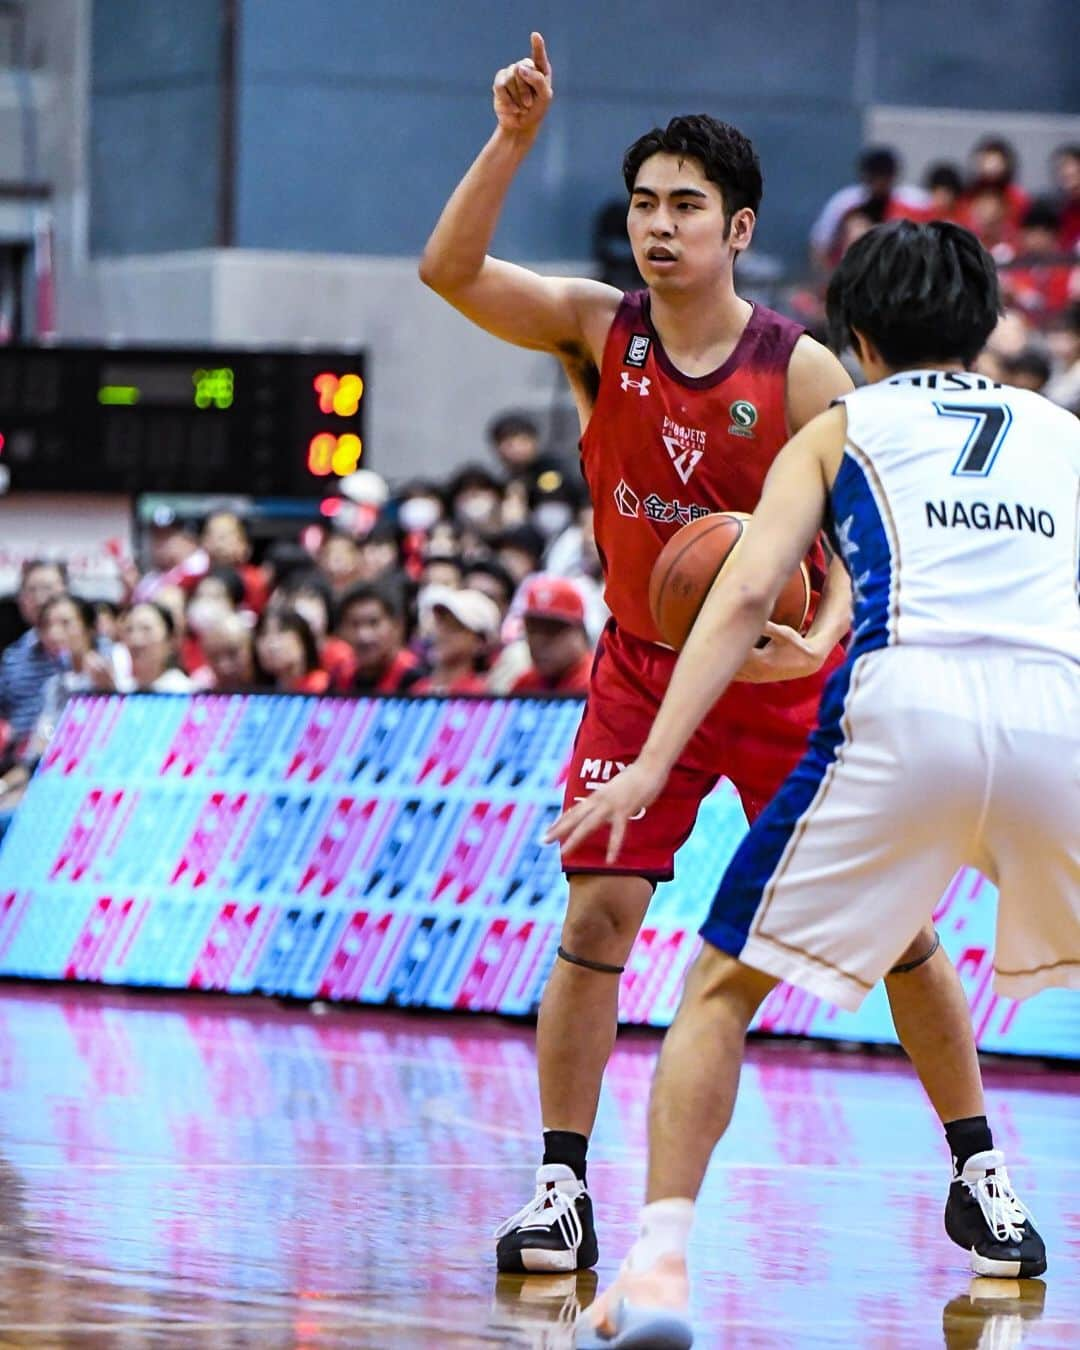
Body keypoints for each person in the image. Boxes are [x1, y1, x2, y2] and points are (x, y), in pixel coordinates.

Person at [420, 32, 1032, 1281]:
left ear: (738, 228)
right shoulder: (599, 330)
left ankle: (978, 1168)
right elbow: (448, 271)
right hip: (642, 667)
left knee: (902, 934)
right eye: (644, 204)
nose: (659, 226)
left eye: (685, 207)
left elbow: (872, 523)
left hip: (780, 681)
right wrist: (513, 139)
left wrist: (823, 629)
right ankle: (559, 1187)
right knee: (596, 912)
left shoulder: (800, 367)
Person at [549, 220, 1070, 1347]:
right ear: (986, 328)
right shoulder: (1062, 433)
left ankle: (663, 1270)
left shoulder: (842, 423)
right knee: (913, 946)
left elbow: (739, 597)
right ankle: (986, 1180)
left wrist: (646, 764)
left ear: (859, 336)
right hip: (1057, 726)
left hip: (909, 712)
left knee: (720, 993)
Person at [0, 561, 67, 760]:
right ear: (21, 600)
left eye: (48, 588)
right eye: (31, 590)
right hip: (20, 760)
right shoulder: (12, 656)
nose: (40, 597)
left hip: (72, 753)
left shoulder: (92, 647)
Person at [336, 582, 423, 695]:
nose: (364, 636)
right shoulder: (340, 679)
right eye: (355, 624)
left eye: (374, 623)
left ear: (397, 626)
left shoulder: (416, 680)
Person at [510, 576, 593, 695]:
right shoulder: (526, 683)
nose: (539, 642)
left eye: (551, 630)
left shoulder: (597, 683)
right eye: (533, 630)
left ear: (579, 633)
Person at [411, 587, 499, 695]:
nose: (440, 634)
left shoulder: (477, 696)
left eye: (454, 628)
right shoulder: (418, 688)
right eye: (439, 623)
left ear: (480, 643)